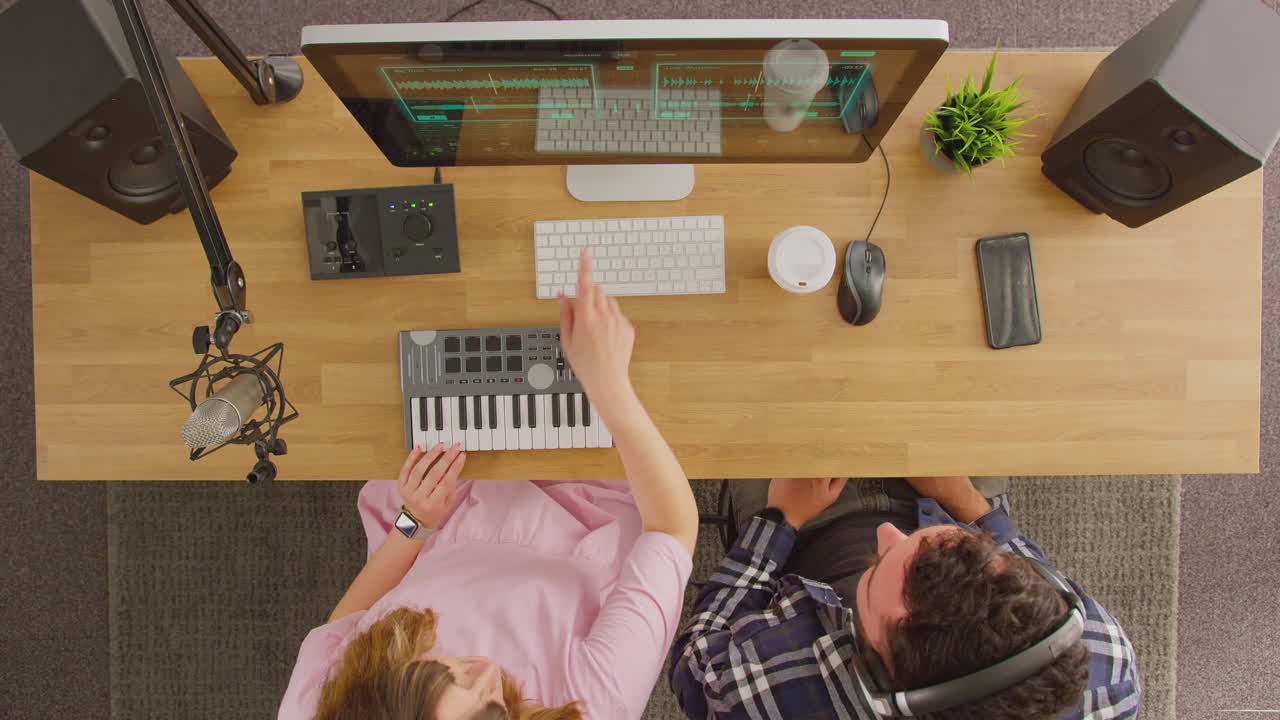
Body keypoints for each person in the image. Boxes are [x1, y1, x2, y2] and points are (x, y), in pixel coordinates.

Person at [279, 247, 699, 720]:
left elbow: (345, 631)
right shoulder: (594, 703)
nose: (488, 673)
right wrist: (609, 388)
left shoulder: (319, 709)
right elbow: (671, 530)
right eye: (495, 709)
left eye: (447, 674)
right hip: (586, 512)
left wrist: (412, 523)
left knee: (425, 300)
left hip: (439, 522)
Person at [668, 477, 1142, 720]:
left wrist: (779, 520)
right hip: (950, 503)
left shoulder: (764, 698)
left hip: (804, 538)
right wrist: (964, 502)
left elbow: (695, 656)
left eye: (874, 580)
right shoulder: (1106, 668)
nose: (887, 532)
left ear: (876, 668)